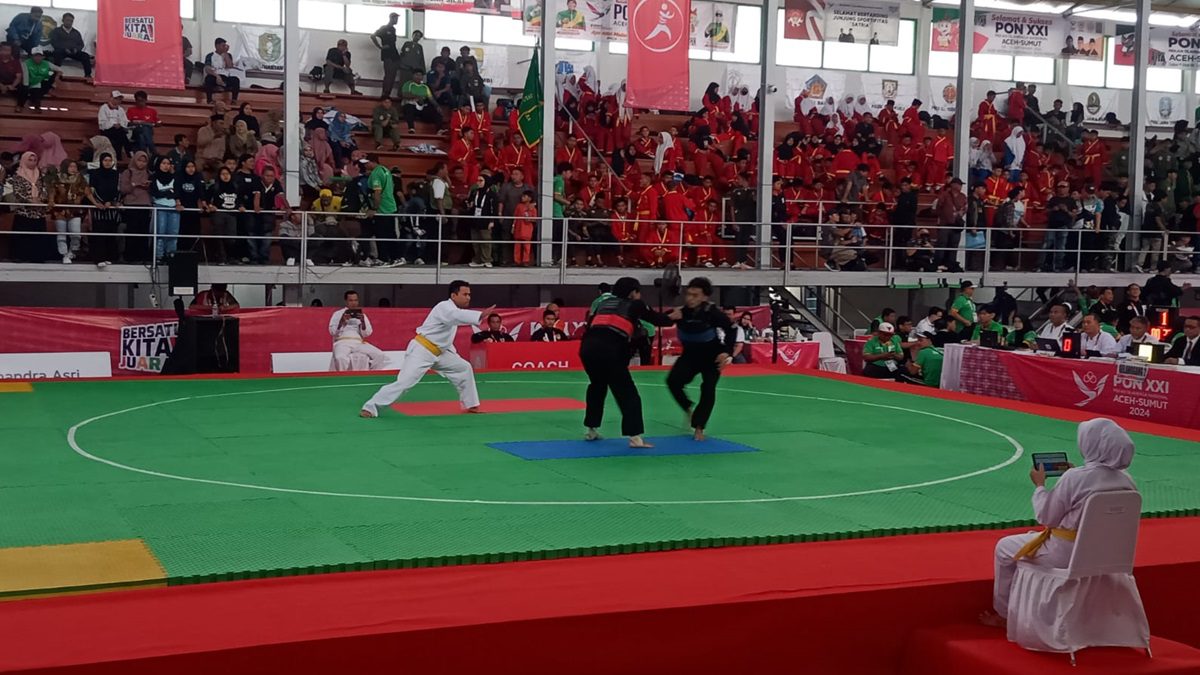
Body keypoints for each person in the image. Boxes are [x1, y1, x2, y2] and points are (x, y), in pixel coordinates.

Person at [982, 418, 1137, 629]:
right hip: (1108, 555)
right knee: (1030, 540)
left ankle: (1005, 613)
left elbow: (1047, 517)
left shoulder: (1075, 478)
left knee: (1004, 548)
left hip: (1066, 554)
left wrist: (1040, 486)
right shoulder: (1127, 481)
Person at [360, 280, 495, 418]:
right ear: (453, 296)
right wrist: (480, 315)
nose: (468, 297)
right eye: (465, 294)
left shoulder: (454, 311)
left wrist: (453, 355)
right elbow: (455, 316)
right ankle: (371, 407)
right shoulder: (444, 307)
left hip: (440, 353)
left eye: (469, 294)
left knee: (464, 367)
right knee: (405, 382)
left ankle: (471, 404)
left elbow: (445, 337)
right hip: (422, 350)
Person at [580, 277, 677, 448]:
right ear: (633, 292)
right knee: (627, 393)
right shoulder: (636, 304)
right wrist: (679, 314)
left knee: (597, 385)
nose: (639, 295)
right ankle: (635, 437)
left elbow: (590, 324)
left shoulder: (604, 303)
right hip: (609, 351)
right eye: (638, 291)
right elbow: (659, 320)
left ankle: (591, 430)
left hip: (587, 349)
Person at [667, 277, 735, 441]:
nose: (690, 298)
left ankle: (699, 427)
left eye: (695, 295)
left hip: (712, 356)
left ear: (705, 297)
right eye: (688, 294)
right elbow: (660, 319)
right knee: (673, 382)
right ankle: (688, 407)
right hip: (690, 355)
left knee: (708, 389)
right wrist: (669, 317)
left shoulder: (712, 312)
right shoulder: (681, 311)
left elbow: (731, 329)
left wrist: (726, 352)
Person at [329, 290, 386, 371]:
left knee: (380, 355)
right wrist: (341, 322)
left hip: (358, 343)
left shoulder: (362, 315)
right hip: (343, 342)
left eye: (355, 300)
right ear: (346, 301)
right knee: (340, 358)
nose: (353, 303)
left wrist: (362, 322)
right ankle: (343, 379)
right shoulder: (338, 314)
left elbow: (367, 333)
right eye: (351, 300)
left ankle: (371, 376)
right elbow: (332, 332)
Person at [48, 159, 86, 264]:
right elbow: (52, 191)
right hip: (60, 209)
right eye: (71, 167)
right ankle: (64, 254)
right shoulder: (57, 178)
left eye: (75, 167)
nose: (73, 169)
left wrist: (79, 198)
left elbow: (85, 191)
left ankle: (72, 251)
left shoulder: (80, 178)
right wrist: (51, 200)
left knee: (76, 234)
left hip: (74, 209)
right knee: (62, 234)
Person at [87, 152, 121, 267]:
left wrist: (111, 201)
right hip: (99, 207)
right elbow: (92, 189)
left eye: (109, 160)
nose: (107, 163)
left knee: (111, 233)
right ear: (101, 161)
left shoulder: (115, 174)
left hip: (111, 209)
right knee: (99, 234)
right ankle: (99, 258)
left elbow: (116, 190)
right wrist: (99, 202)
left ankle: (110, 257)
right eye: (105, 160)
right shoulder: (95, 173)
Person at [150, 156, 181, 261]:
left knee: (173, 233)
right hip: (159, 207)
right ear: (159, 165)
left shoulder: (174, 177)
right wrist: (168, 192)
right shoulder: (153, 178)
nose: (166, 166)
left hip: (173, 208)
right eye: (163, 163)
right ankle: (158, 256)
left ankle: (171, 256)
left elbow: (177, 193)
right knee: (160, 232)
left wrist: (167, 194)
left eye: (168, 164)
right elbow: (155, 193)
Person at [467, 170, 497, 268]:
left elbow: (494, 209)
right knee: (475, 241)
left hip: (485, 221)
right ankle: (478, 259)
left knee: (486, 240)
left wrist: (492, 221)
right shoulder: (475, 192)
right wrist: (469, 204)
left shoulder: (492, 195)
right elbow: (470, 202)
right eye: (478, 180)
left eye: (481, 181)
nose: (478, 182)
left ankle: (487, 259)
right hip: (475, 219)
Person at [17, 47, 60, 113]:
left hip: (42, 82)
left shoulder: (46, 63)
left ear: (43, 57)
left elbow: (59, 70)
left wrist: (55, 81)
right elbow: (25, 78)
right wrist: (27, 87)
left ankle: (36, 103)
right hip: (30, 82)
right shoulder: (26, 63)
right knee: (26, 89)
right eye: (35, 56)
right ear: (31, 56)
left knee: (53, 75)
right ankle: (22, 105)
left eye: (40, 56)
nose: (38, 57)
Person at [49, 12, 91, 79]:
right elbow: (54, 42)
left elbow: (81, 44)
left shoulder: (76, 32)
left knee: (85, 56)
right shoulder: (56, 31)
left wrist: (76, 49)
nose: (69, 22)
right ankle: (55, 76)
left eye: (71, 21)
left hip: (74, 51)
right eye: (67, 20)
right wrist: (64, 49)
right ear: (63, 20)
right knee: (57, 55)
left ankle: (88, 75)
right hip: (61, 51)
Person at [372, 13, 402, 98]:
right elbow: (373, 36)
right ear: (391, 18)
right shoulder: (384, 28)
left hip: (394, 53)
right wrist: (379, 46)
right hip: (387, 54)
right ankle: (384, 93)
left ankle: (388, 93)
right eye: (396, 19)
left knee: (393, 75)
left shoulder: (393, 29)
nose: (397, 20)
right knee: (388, 74)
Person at [202, 38, 240, 103]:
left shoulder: (228, 55)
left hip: (225, 76)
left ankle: (234, 100)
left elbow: (230, 66)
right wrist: (217, 76)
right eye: (223, 46)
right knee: (208, 79)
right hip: (214, 76)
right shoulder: (210, 55)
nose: (224, 47)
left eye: (225, 45)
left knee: (236, 80)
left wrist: (225, 53)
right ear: (217, 46)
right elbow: (207, 68)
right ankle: (209, 100)